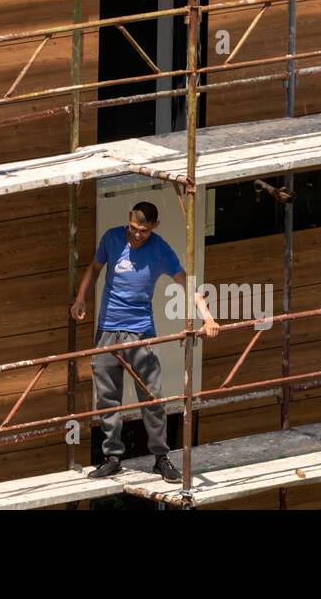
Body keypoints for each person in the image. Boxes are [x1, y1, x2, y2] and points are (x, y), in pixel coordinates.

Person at [70, 200, 219, 482]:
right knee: (107, 398)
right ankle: (112, 457)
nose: (138, 235)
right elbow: (94, 268)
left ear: (155, 228)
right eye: (135, 228)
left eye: (144, 231)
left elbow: (185, 282)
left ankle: (161, 458)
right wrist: (80, 299)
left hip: (140, 331)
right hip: (107, 330)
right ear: (129, 220)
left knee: (152, 397)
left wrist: (207, 318)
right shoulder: (112, 238)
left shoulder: (160, 249)